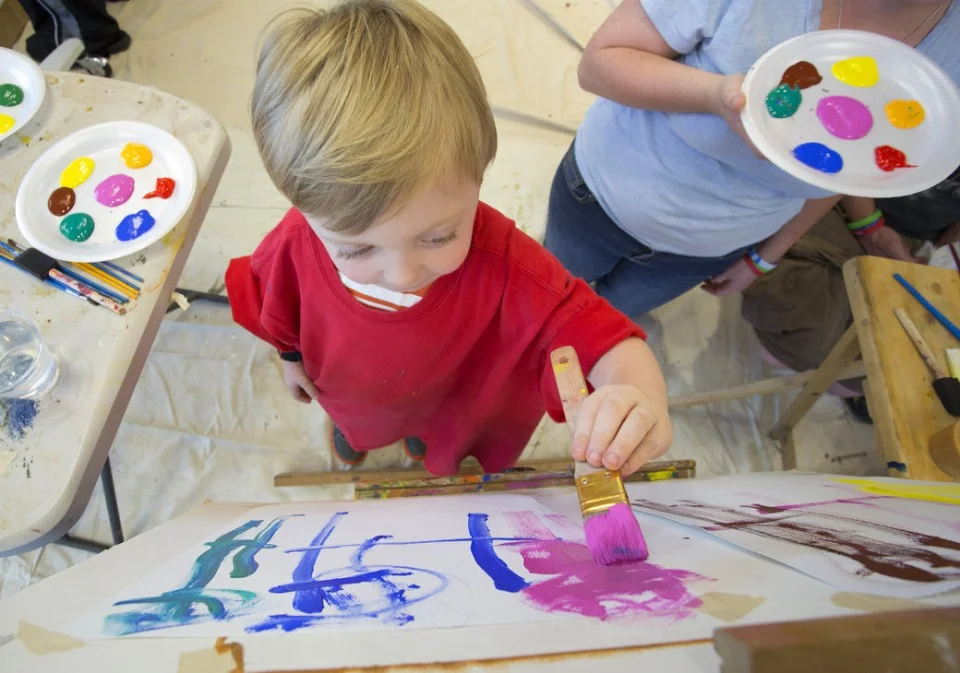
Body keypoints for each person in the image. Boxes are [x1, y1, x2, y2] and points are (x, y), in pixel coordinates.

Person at [225, 0, 672, 476]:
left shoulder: (509, 267)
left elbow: (602, 340)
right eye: (356, 249)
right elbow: (277, 310)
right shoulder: (294, 244)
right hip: (351, 393)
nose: (403, 274)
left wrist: (636, 399)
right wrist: (292, 359)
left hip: (448, 399)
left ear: (479, 179)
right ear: (304, 211)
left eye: (438, 237)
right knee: (361, 426)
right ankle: (358, 434)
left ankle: (423, 441)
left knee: (435, 436)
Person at [545, 0, 959, 317]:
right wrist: (715, 96)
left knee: (602, 318)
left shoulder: (946, 61)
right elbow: (599, 64)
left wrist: (767, 255)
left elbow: (848, 172)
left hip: (707, 250)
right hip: (601, 196)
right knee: (547, 295)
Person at [742, 165, 960, 423]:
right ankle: (803, 358)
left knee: (879, 366)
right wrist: (870, 227)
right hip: (841, 199)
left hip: (906, 241)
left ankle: (826, 372)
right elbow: (845, 162)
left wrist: (924, 258)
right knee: (790, 318)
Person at [18, 0, 131, 75]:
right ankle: (103, 30)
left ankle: (87, 44)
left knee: (33, 45)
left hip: (87, 36)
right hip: (102, 23)